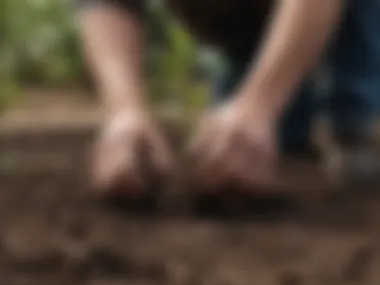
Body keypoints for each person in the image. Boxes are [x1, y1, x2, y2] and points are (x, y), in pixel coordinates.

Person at [75, 0, 380, 198]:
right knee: (244, 151)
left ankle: (357, 115)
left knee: (353, 128)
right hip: (251, 26)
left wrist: (259, 104)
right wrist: (125, 113)